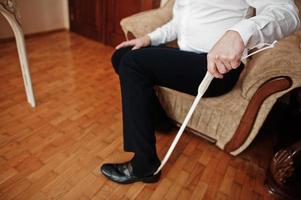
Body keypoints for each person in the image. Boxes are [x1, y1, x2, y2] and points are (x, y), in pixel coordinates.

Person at [100, 0, 300, 184]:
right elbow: (178, 24)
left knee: (132, 63)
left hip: (216, 69)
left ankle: (144, 166)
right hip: (186, 55)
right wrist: (147, 38)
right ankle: (160, 121)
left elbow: (287, 13)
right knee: (122, 55)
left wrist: (239, 33)